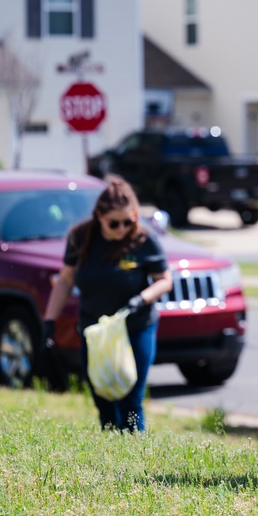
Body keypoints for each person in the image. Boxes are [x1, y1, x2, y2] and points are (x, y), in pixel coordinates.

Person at [43, 175, 173, 433]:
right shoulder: (81, 238)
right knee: (102, 397)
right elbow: (65, 280)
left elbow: (165, 280)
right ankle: (110, 454)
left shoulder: (144, 240)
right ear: (100, 216)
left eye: (129, 221)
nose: (122, 229)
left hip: (135, 326)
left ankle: (136, 458)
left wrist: (142, 298)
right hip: (95, 329)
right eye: (115, 223)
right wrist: (49, 321)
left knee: (130, 398)